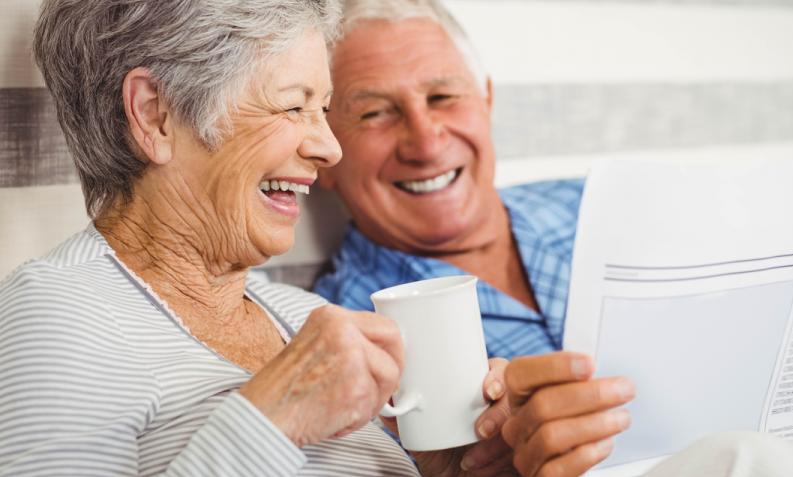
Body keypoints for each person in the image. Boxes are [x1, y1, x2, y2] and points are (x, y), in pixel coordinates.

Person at [313, 1, 793, 475]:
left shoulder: (606, 202)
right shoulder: (345, 329)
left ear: (486, 102)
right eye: (375, 114)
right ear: (328, 151)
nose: (426, 139)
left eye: (443, 98)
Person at [0, 1, 515, 475]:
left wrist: (449, 471)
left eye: (325, 109)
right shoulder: (58, 310)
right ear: (155, 115)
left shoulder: (302, 315)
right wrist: (273, 418)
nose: (329, 148)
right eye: (294, 107)